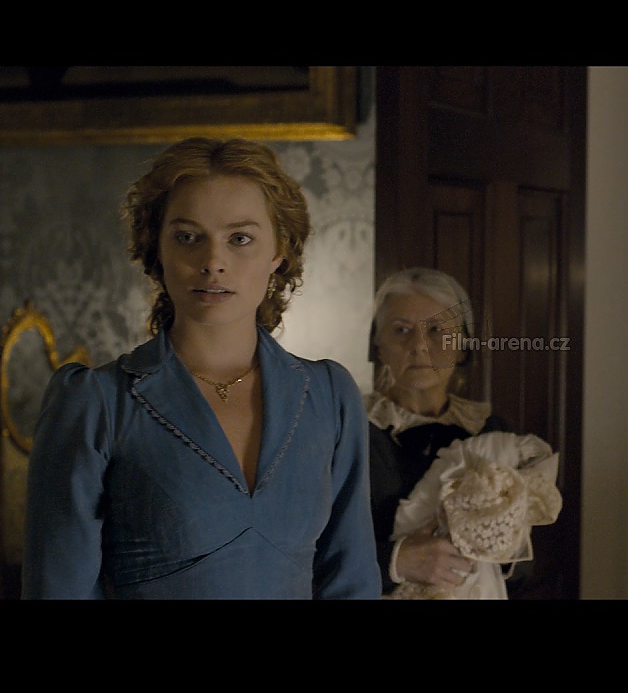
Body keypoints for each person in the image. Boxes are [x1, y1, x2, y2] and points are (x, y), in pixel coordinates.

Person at [22, 137, 380, 599]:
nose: (213, 262)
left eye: (240, 239)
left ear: (279, 250)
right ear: (157, 247)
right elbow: (58, 589)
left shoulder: (328, 395)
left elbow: (352, 580)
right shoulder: (98, 401)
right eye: (188, 237)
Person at [364, 267, 560, 599]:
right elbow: (309, 551)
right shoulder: (349, 430)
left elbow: (521, 568)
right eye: (401, 330)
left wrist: (492, 542)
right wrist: (395, 561)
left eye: (437, 330)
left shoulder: (493, 434)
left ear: (463, 346)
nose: (419, 346)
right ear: (378, 346)